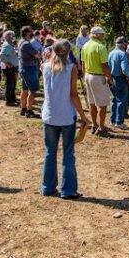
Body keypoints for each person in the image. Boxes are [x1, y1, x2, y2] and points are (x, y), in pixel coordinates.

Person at [41, 39, 89, 199]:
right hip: (67, 116)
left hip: (49, 115)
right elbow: (73, 94)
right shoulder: (71, 68)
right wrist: (83, 116)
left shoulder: (45, 67)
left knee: (50, 152)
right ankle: (68, 190)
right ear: (68, 52)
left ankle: (48, 187)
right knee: (68, 153)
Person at [81, 27, 114, 136]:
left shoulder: (85, 45)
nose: (103, 36)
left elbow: (83, 63)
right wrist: (109, 78)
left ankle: (95, 125)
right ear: (98, 35)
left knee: (92, 103)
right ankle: (101, 128)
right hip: (98, 77)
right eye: (102, 35)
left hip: (88, 75)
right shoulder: (100, 47)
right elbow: (104, 65)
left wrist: (84, 75)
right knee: (102, 104)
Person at [107, 36, 129, 130]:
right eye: (125, 43)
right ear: (123, 43)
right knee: (121, 101)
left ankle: (112, 121)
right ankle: (119, 122)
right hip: (121, 79)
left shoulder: (110, 53)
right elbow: (125, 69)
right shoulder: (122, 54)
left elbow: (108, 67)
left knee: (114, 100)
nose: (126, 45)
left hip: (112, 78)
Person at [18, 27, 41, 117]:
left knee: (24, 89)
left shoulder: (21, 42)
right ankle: (29, 110)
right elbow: (37, 55)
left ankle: (23, 108)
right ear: (27, 33)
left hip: (23, 68)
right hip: (29, 68)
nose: (32, 33)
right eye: (31, 32)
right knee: (33, 90)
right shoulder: (27, 44)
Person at [0, 30, 20, 107]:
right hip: (9, 67)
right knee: (10, 84)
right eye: (12, 35)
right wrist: (7, 63)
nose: (13, 36)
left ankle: (13, 99)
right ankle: (8, 101)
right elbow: (1, 55)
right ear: (7, 36)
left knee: (13, 83)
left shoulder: (10, 44)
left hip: (13, 66)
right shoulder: (7, 45)